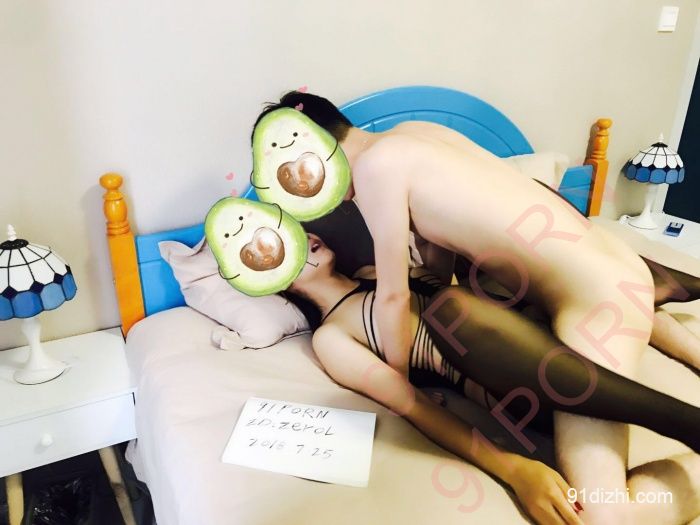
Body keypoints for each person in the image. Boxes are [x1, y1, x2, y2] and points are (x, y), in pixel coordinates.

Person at [253, 91, 700, 524]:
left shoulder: (373, 169)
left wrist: (401, 371)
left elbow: (394, 296)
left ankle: (681, 421)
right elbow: (441, 247)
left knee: (604, 515)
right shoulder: (414, 132)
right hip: (620, 262)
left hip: (596, 301)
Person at [285, 233, 700, 525]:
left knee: (579, 282)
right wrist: (515, 470)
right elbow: (415, 407)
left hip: (545, 323)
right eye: (280, 245)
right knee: (599, 517)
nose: (303, 237)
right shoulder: (332, 338)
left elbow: (444, 276)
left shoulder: (375, 269)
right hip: (525, 381)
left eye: (298, 228)